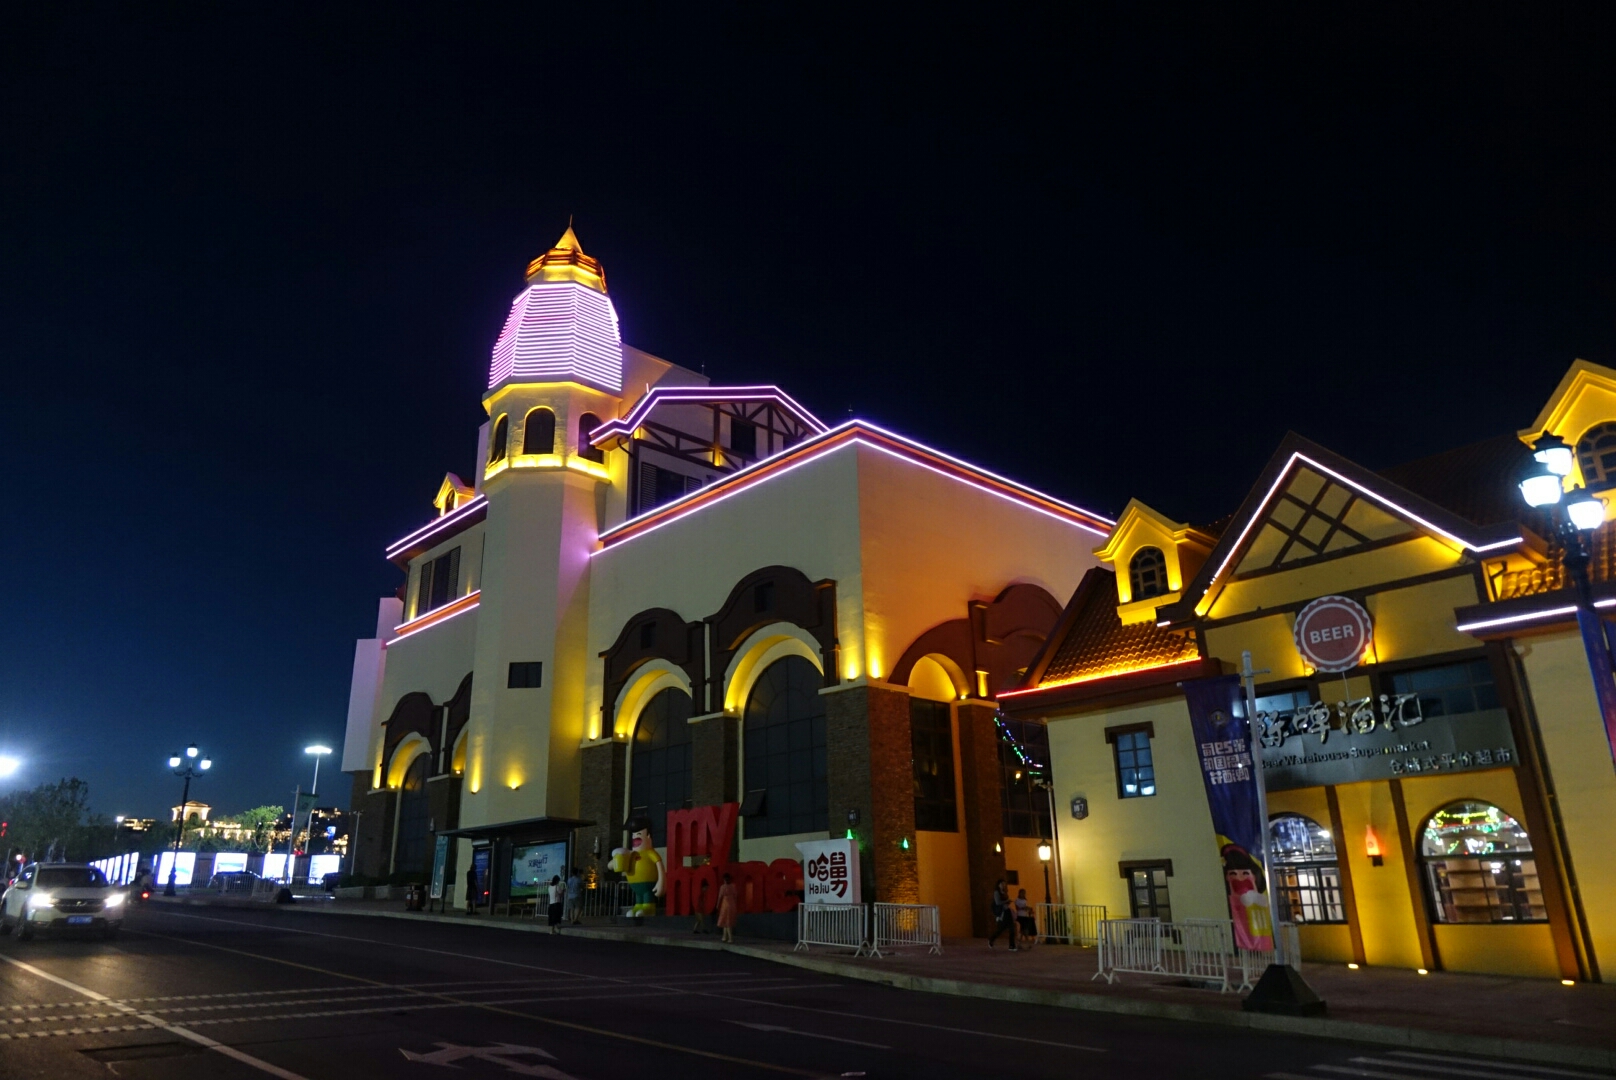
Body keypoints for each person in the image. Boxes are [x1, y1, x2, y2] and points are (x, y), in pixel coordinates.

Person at [987, 879, 1017, 951]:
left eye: (1004, 884)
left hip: (1007, 911)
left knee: (1011, 928)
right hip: (1002, 912)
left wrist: (1007, 902)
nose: (1003, 885)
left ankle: (1011, 945)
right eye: (1002, 884)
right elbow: (998, 902)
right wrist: (1006, 901)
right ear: (998, 885)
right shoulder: (996, 892)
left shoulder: (1004, 892)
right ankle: (992, 939)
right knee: (1001, 929)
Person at [716, 872, 738, 944]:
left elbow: (720, 897)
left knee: (726, 921)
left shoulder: (722, 887)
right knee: (728, 921)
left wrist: (717, 905)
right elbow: (735, 896)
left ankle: (730, 938)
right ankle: (724, 937)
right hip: (732, 904)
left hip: (725, 905)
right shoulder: (733, 886)